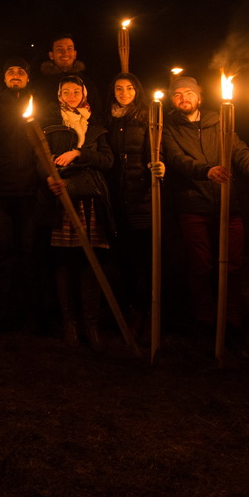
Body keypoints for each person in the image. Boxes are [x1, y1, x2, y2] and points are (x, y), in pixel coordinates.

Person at [159, 74, 249, 353]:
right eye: (177, 94)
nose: (183, 98)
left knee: (232, 266)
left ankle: (232, 322)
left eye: (189, 92)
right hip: (193, 206)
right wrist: (206, 171)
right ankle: (205, 322)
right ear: (173, 100)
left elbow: (239, 150)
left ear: (199, 97)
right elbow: (176, 159)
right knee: (201, 267)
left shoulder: (220, 121)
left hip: (227, 205)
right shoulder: (169, 128)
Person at [42, 76, 114, 348]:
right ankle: (69, 323)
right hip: (63, 197)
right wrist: (48, 176)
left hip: (90, 199)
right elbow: (40, 157)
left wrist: (79, 154)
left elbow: (107, 160)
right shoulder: (51, 125)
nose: (71, 95)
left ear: (84, 94)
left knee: (90, 261)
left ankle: (91, 323)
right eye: (66, 91)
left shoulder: (95, 126)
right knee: (65, 262)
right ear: (59, 95)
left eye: (76, 91)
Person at [0, 58, 45, 333]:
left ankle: (31, 312)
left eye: (21, 71)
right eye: (10, 72)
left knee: (29, 251)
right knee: (4, 250)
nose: (16, 75)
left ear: (28, 78)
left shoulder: (38, 105)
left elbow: (43, 146)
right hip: (1, 190)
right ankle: (5, 311)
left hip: (30, 190)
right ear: (4, 78)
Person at [104, 72, 155, 345]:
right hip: (116, 196)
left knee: (143, 258)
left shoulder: (147, 118)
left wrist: (155, 169)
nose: (124, 93)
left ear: (137, 91)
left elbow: (154, 152)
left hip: (141, 196)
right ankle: (131, 311)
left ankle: (149, 313)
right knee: (123, 259)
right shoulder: (108, 120)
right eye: (118, 88)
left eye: (129, 88)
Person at [37, 34, 99, 126]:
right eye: (59, 49)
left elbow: (97, 112)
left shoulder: (87, 83)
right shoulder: (42, 86)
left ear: (75, 54)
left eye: (69, 49)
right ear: (51, 55)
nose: (65, 53)